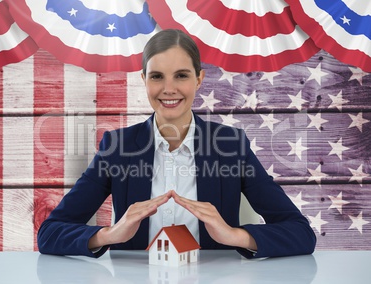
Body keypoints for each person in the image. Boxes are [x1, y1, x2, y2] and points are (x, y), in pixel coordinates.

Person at [37, 29, 316, 259]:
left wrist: (235, 235)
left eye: (181, 75)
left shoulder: (230, 145)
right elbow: (50, 233)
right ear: (144, 80)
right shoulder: (117, 147)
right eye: (157, 76)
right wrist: (110, 234)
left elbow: (300, 233)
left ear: (198, 79)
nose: (168, 88)